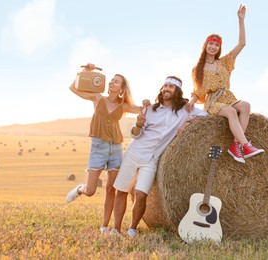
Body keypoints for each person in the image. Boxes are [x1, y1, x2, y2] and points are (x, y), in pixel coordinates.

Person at [112, 76, 207, 237]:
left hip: (152, 159)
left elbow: (206, 114)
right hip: (135, 153)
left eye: (170, 86)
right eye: (165, 86)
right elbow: (135, 135)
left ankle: (132, 228)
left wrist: (187, 123)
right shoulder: (150, 110)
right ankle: (115, 228)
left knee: (141, 195)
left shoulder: (185, 110)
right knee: (121, 190)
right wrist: (139, 124)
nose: (166, 89)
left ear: (177, 91)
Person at [65, 63, 148, 234]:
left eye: (116, 82)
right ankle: (80, 188)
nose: (111, 83)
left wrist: (147, 104)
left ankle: (105, 226)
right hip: (98, 147)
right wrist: (86, 72)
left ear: (122, 89)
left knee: (111, 188)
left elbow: (145, 110)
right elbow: (73, 88)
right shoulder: (97, 97)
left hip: (116, 148)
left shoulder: (124, 106)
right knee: (91, 190)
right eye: (111, 80)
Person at [187, 4, 264, 163]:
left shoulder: (224, 63)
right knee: (230, 111)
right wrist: (191, 101)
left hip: (228, 96)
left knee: (246, 106)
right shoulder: (198, 69)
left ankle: (235, 145)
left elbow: (242, 44)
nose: (213, 47)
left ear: (219, 48)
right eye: (211, 43)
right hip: (213, 101)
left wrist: (241, 20)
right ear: (205, 45)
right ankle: (246, 145)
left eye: (216, 45)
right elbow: (198, 91)